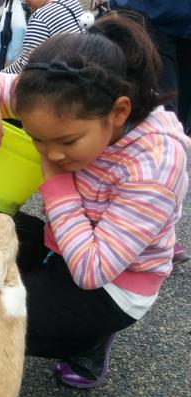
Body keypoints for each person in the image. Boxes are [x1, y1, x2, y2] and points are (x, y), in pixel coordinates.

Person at [0, 14, 189, 389]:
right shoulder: (60, 95)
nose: (51, 152)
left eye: (66, 141)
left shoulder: (155, 164)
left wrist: (56, 179)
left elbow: (92, 269)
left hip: (109, 284)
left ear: (119, 113)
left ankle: (88, 340)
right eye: (38, 138)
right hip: (61, 245)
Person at [110, 1, 191, 265]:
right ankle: (141, 226)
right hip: (147, 14)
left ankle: (157, 224)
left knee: (180, 128)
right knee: (153, 118)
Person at [1, 0, 83, 74]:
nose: (23, 1)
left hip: (62, 82)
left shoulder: (41, 17)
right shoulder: (72, 2)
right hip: (82, 73)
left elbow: (25, 65)